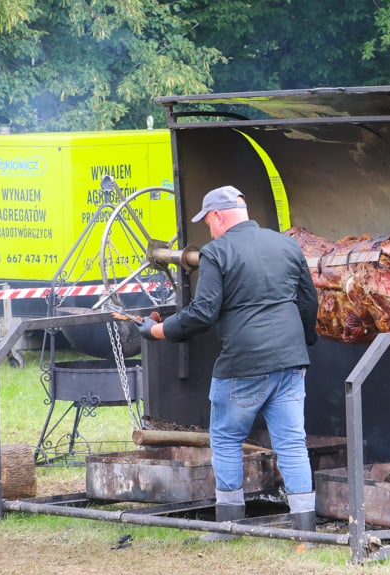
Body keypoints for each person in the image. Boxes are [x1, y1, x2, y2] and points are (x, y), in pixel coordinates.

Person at [139, 184, 319, 540]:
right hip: (291, 361)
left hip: (243, 363)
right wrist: (304, 341)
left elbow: (203, 312)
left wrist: (158, 331)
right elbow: (308, 301)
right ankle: (306, 526)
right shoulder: (286, 243)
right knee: (292, 443)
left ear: (218, 216)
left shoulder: (216, 252)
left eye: (207, 221)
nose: (208, 229)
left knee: (225, 438)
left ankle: (228, 526)